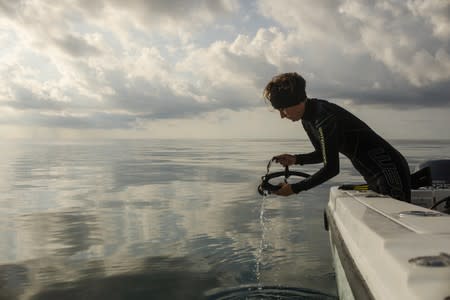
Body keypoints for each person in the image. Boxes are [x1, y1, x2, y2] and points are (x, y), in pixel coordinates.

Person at [263, 72, 411, 202]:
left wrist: (295, 188)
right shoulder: (308, 119)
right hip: (372, 174)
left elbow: (332, 169)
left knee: (396, 230)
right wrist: (295, 159)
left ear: (298, 101)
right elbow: (322, 154)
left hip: (389, 169)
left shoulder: (324, 118)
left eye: (283, 109)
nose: (282, 115)